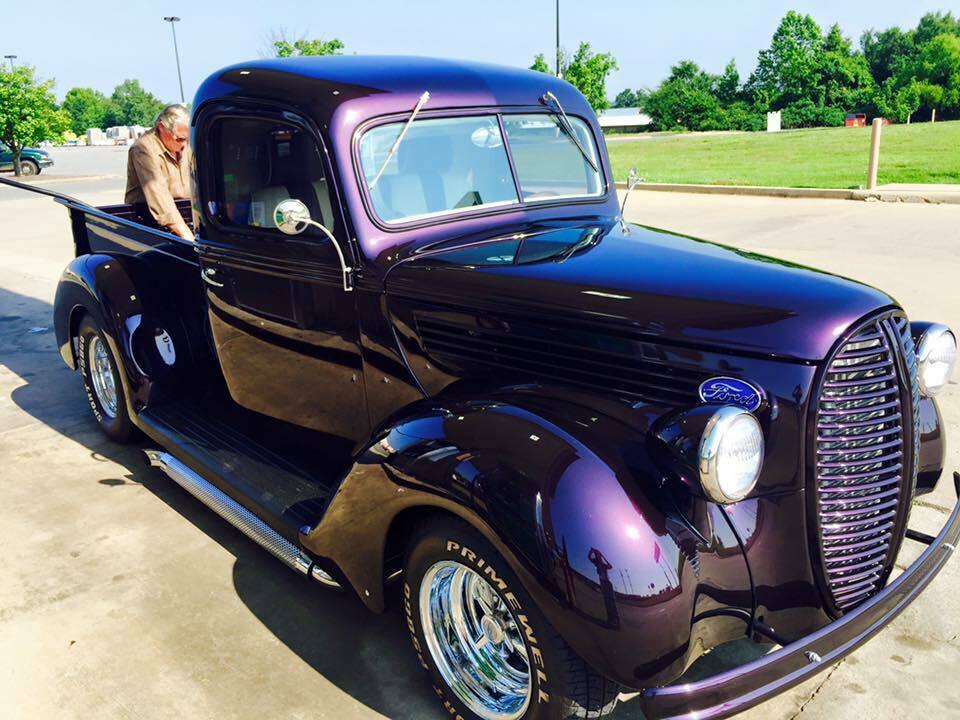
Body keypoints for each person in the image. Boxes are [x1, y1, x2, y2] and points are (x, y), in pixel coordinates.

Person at [125, 104, 194, 241]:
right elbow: (159, 196)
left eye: (187, 139)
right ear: (161, 127)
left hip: (185, 214)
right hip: (150, 221)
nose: (184, 145)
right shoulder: (143, 149)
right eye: (179, 139)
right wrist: (188, 237)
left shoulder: (184, 144)